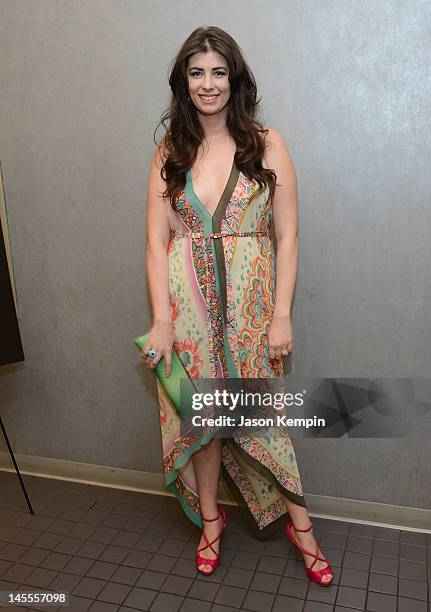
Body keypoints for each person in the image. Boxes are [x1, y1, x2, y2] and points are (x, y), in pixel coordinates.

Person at [141, 26, 333, 585]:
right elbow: (156, 242)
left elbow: (287, 238)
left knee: (261, 420)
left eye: (218, 72)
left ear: (235, 79)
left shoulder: (267, 144)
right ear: (183, 82)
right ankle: (210, 521)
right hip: (187, 316)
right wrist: (161, 321)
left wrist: (281, 316)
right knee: (203, 423)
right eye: (197, 72)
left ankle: (302, 530)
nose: (208, 84)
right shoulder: (168, 152)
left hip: (251, 315)